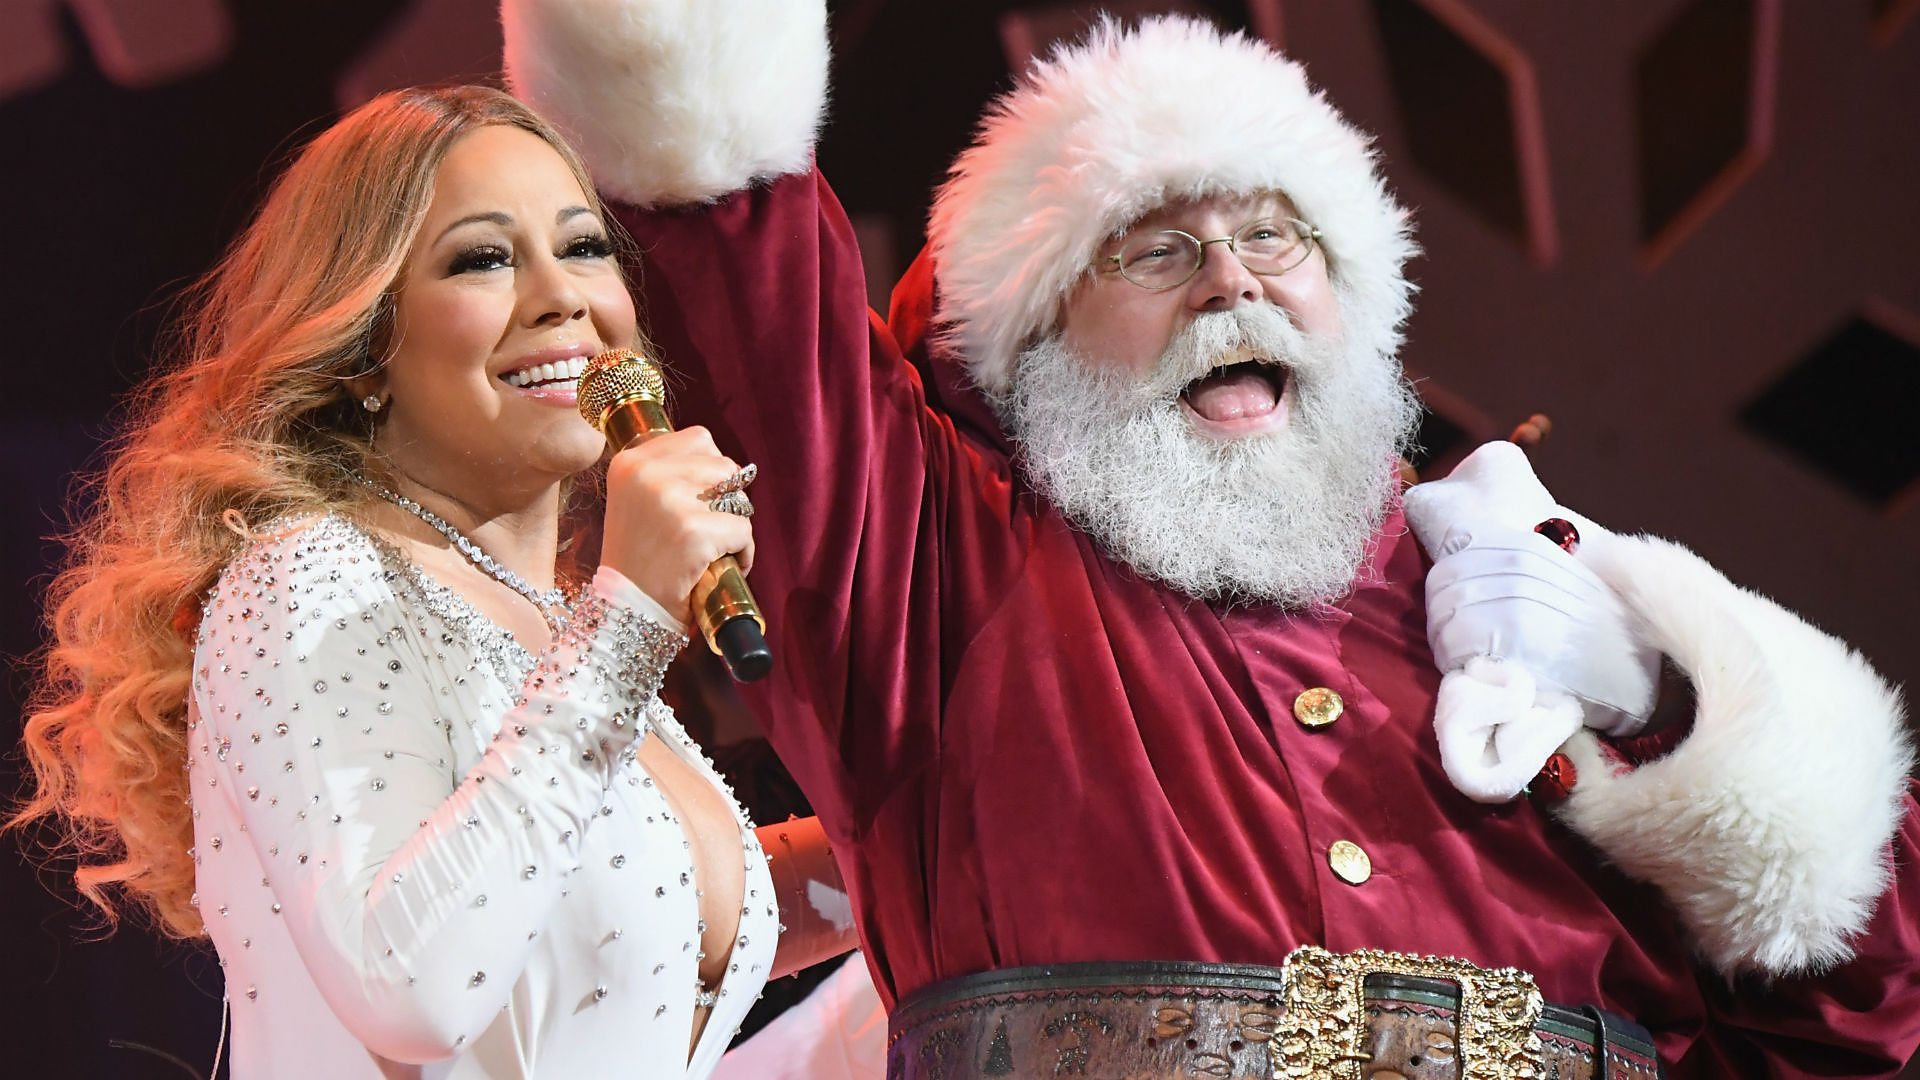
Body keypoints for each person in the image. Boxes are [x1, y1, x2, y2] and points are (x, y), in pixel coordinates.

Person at [503, 3, 1920, 1075]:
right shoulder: (935, 578)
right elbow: (724, 233)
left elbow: (1856, 1017)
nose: (1232, 278)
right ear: (1034, 335)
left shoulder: (1525, 601)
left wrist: (1689, 722)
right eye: (1156, 249)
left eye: (1280, 238)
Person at [14, 84, 852, 1079]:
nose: (562, 297)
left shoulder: (555, 622)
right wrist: (627, 620)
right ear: (369, 342)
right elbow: (409, 982)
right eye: (485, 259)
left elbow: (658, 919)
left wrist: (938, 849)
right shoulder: (309, 580)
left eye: (584, 246)